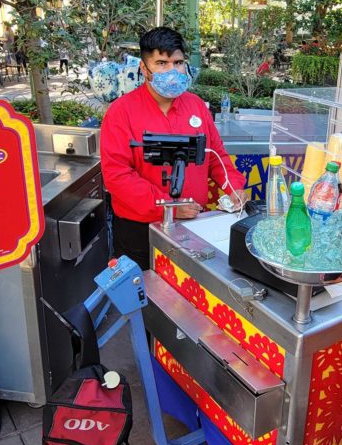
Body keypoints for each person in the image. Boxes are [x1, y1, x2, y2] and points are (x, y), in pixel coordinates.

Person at [100, 26, 245, 271]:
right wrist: (167, 207)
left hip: (193, 224)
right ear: (144, 68)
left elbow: (214, 155)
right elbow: (117, 176)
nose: (172, 71)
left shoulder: (196, 106)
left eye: (177, 63)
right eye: (161, 63)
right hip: (140, 230)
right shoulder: (121, 112)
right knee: (146, 290)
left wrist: (234, 187)